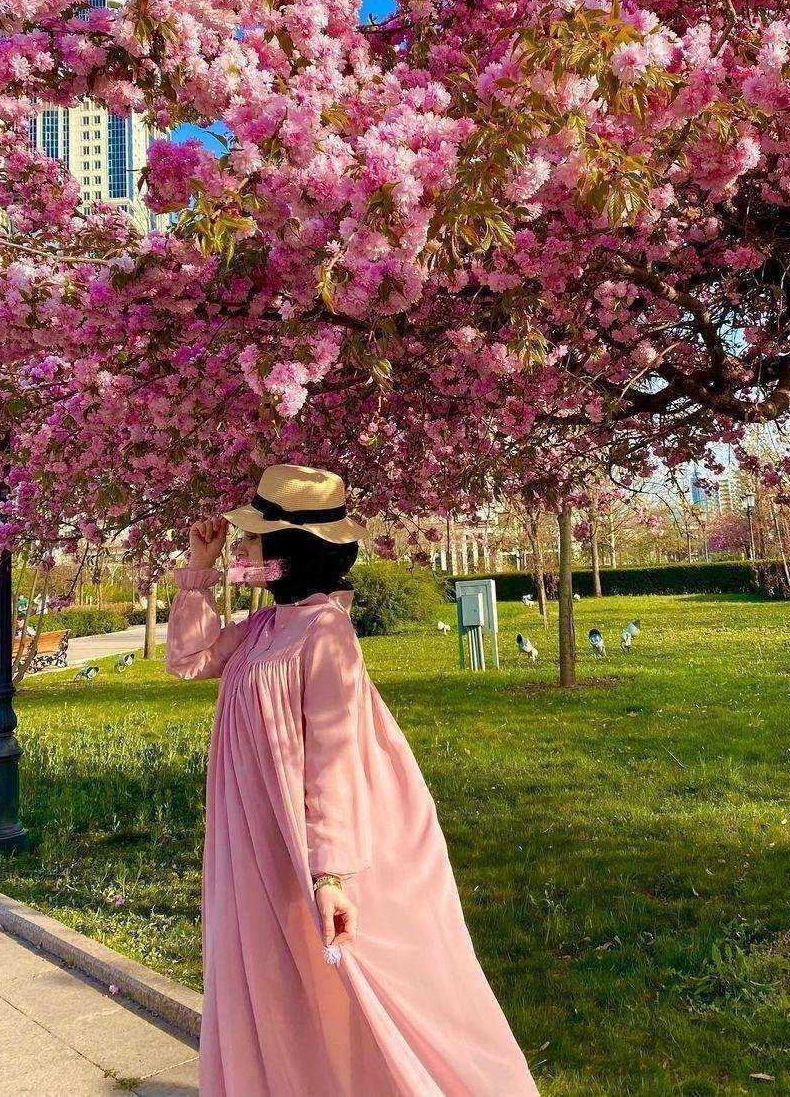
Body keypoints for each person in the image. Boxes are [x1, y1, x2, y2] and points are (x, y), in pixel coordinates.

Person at [166, 464, 538, 1097]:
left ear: (289, 549)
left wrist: (330, 873)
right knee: (274, 972)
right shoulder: (263, 627)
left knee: (337, 975)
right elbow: (188, 659)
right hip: (252, 830)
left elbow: (334, 755)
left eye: (253, 539)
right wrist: (201, 569)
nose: (241, 549)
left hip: (303, 838)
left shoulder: (325, 631)